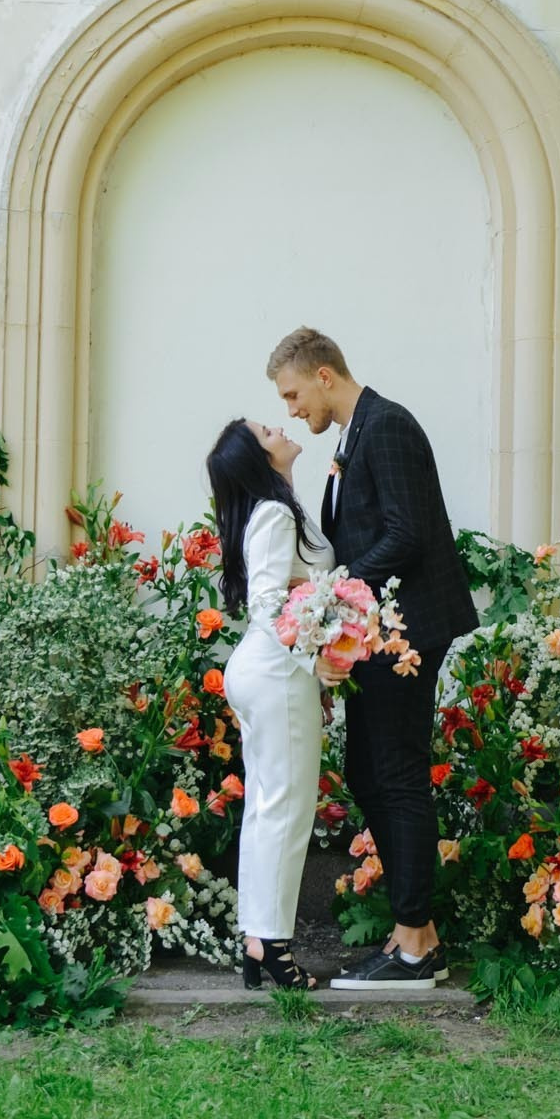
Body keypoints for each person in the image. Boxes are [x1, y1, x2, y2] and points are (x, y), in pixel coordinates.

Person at [266, 327, 476, 990]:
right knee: (366, 769)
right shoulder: (352, 437)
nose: (293, 408)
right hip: (380, 634)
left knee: (397, 774)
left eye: (294, 393)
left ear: (324, 374)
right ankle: (416, 931)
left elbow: (406, 536)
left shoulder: (384, 427)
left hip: (407, 632)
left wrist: (335, 591)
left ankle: (416, 946)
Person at [205, 417, 341, 989]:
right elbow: (266, 602)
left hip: (271, 673)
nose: (280, 426)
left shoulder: (278, 508)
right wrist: (314, 663)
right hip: (276, 673)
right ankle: (272, 945)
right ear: (259, 461)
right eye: (267, 432)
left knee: (269, 807)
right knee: (285, 811)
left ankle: (259, 939)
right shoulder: (275, 512)